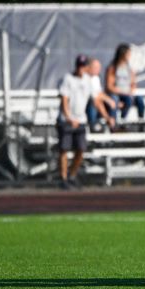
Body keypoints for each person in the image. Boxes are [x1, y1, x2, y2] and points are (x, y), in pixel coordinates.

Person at [56, 54, 98, 189]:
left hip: (80, 119)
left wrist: (108, 112)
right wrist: (69, 118)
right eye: (79, 65)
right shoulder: (68, 79)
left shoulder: (88, 80)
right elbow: (64, 100)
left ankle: (72, 176)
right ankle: (63, 179)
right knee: (64, 149)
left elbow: (96, 97)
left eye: (83, 66)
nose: (81, 68)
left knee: (81, 149)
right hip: (66, 120)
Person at [106, 43, 145, 120]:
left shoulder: (130, 68)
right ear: (123, 54)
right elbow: (109, 86)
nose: (130, 55)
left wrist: (131, 91)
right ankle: (118, 121)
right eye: (128, 53)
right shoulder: (113, 68)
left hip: (127, 94)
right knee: (117, 100)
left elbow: (133, 83)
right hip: (117, 94)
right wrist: (122, 92)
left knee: (140, 100)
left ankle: (141, 121)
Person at [85, 58, 117, 132]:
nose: (98, 69)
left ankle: (113, 124)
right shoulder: (85, 78)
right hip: (86, 109)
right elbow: (94, 97)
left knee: (114, 100)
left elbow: (99, 93)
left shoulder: (95, 78)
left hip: (97, 107)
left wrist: (110, 100)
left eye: (99, 67)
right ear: (89, 67)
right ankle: (94, 127)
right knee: (94, 103)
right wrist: (107, 117)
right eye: (96, 67)